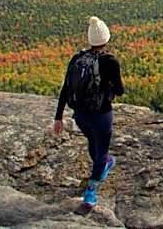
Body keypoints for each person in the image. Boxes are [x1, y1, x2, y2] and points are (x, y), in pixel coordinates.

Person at [53, 16, 124, 209]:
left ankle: (104, 164)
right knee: (101, 151)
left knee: (94, 144)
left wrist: (58, 117)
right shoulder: (110, 61)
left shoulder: (77, 59)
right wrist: (108, 87)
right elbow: (119, 90)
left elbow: (65, 88)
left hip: (80, 116)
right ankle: (91, 190)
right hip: (101, 115)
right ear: (107, 38)